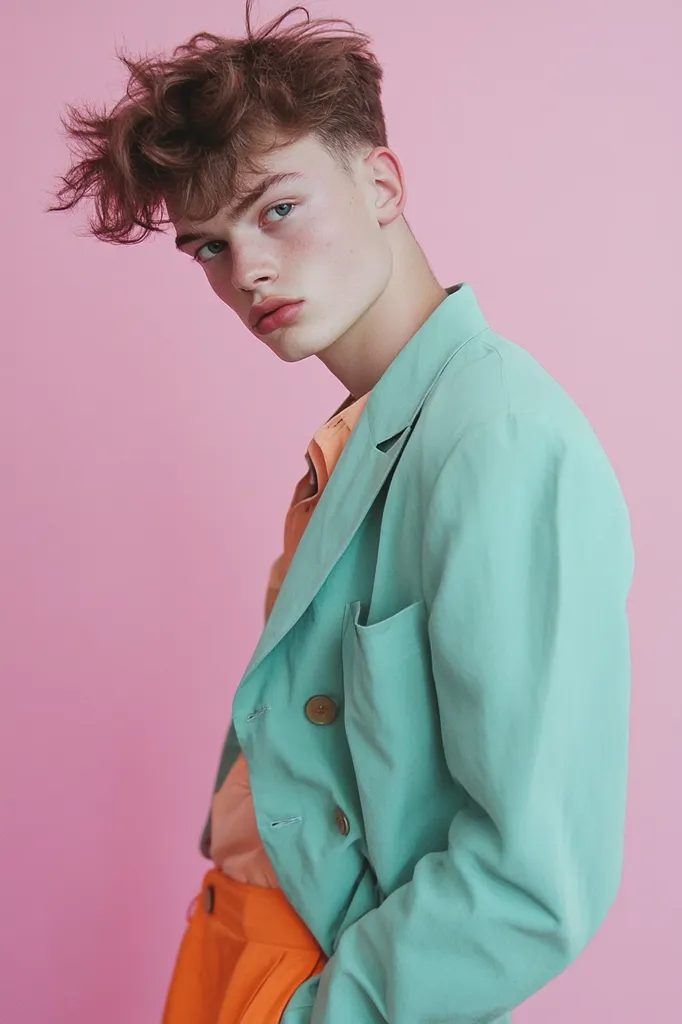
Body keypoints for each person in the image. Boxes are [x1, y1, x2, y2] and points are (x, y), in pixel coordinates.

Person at [47, 2, 635, 1022]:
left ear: (381, 184)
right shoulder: (367, 431)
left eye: (275, 209)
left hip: (329, 974)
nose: (248, 272)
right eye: (209, 247)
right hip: (228, 945)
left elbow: (533, 878)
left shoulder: (495, 439)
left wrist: (326, 1012)